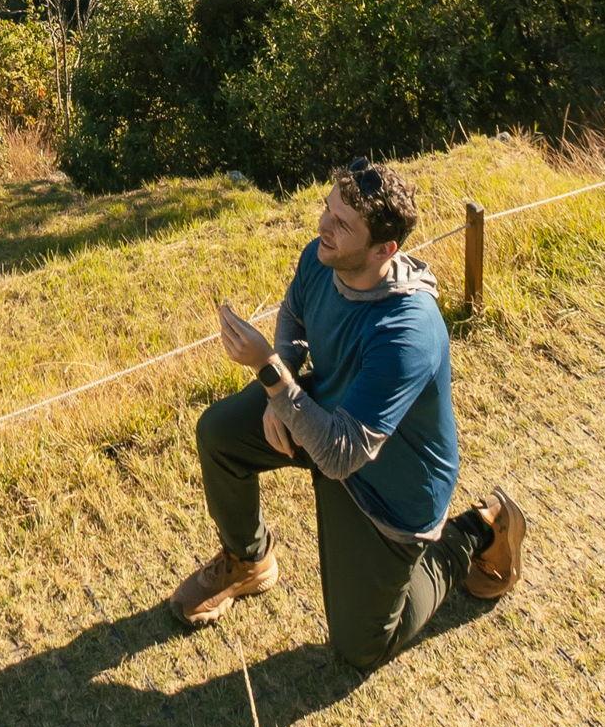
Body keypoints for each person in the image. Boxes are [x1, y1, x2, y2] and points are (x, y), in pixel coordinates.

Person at [169, 157, 526, 668]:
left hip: (388, 486)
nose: (324, 227)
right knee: (220, 433)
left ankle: (475, 531)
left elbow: (341, 457)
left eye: (342, 223)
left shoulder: (407, 331)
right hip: (328, 419)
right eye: (327, 210)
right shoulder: (323, 258)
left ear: (385, 249)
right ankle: (248, 560)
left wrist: (271, 374)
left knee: (362, 648)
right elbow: (295, 313)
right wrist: (283, 380)